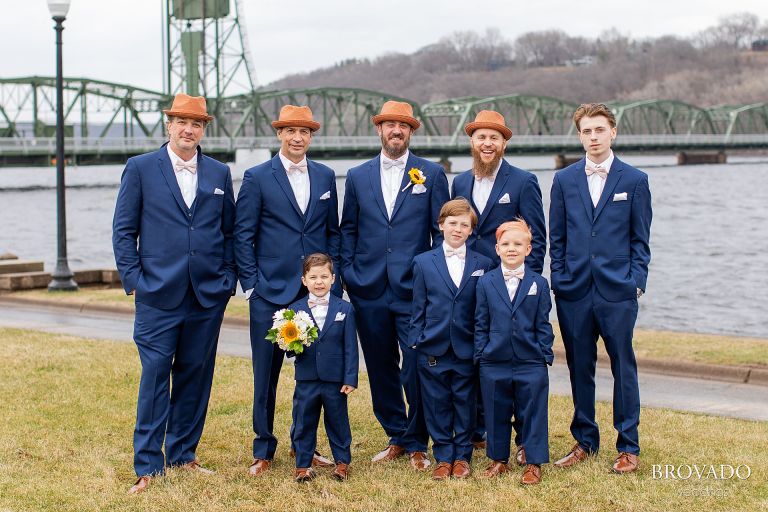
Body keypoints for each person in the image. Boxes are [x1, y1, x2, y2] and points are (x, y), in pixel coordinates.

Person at [112, 93, 236, 494]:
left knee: (195, 377)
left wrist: (227, 279)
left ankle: (183, 453)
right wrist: (135, 280)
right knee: (154, 377)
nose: (189, 130)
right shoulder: (141, 168)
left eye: (197, 124)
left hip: (206, 295)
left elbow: (229, 231)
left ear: (203, 129)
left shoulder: (219, 173)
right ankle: (149, 465)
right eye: (182, 122)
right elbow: (123, 230)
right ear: (168, 125)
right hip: (157, 294)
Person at [340, 100, 450, 470]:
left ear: (411, 132)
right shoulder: (357, 176)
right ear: (379, 130)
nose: (396, 131)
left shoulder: (431, 174)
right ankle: (397, 434)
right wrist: (350, 274)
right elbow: (349, 229)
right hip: (367, 287)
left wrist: (433, 281)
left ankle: (419, 438)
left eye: (403, 126)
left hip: (414, 290)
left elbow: (441, 233)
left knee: (417, 364)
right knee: (380, 364)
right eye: (390, 125)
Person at [234, 105, 341, 476]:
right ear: (279, 134)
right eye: (291, 131)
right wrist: (252, 286)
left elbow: (332, 234)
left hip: (312, 296)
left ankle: (305, 446)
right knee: (266, 377)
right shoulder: (257, 176)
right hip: (269, 291)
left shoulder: (326, 177)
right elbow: (242, 234)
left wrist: (332, 283)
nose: (298, 138)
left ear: (311, 136)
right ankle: (263, 448)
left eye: (305, 132)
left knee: (311, 378)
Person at [549, 103, 652, 474]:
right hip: (573, 291)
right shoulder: (563, 180)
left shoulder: (634, 180)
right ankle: (584, 440)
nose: (593, 137)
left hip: (617, 292)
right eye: (586, 131)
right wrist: (558, 279)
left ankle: (628, 445)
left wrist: (635, 282)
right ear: (579, 136)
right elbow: (556, 238)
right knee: (579, 367)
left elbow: (640, 241)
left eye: (599, 130)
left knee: (623, 367)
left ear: (613, 133)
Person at [450, 109, 546, 459]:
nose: (487, 143)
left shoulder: (523, 181)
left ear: (503, 142)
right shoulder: (460, 182)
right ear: (472, 142)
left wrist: (527, 288)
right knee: (477, 357)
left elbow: (537, 238)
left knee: (515, 358)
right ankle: (478, 431)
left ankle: (523, 440)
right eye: (481, 137)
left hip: (510, 290)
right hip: (468, 287)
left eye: (494, 137)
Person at [409, 198, 493, 480]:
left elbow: (485, 308)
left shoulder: (484, 263)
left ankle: (463, 456)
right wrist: (416, 339)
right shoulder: (423, 262)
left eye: (465, 225)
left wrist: (482, 344)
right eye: (453, 223)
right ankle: (443, 455)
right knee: (436, 403)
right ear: (441, 224)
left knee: (465, 402)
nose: (458, 229)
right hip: (433, 344)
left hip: (467, 345)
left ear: (472, 230)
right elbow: (418, 305)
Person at [474, 219, 554, 485]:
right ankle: (498, 460)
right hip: (493, 359)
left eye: (518, 244)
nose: (511, 249)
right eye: (506, 244)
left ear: (528, 249)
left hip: (530, 359)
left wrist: (545, 353)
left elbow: (543, 322)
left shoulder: (539, 283)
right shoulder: (485, 282)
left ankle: (533, 462)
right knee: (496, 410)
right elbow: (480, 321)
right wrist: (481, 353)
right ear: (496, 249)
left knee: (533, 410)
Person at [288, 253, 358, 482]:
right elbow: (290, 348)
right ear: (304, 280)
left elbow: (350, 347)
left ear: (333, 279)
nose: (319, 282)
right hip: (307, 377)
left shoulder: (344, 309)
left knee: (337, 420)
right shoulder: (295, 309)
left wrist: (350, 378)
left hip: (335, 378)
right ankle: (303, 465)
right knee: (304, 420)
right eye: (313, 277)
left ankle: (342, 462)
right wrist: (287, 340)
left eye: (324, 277)